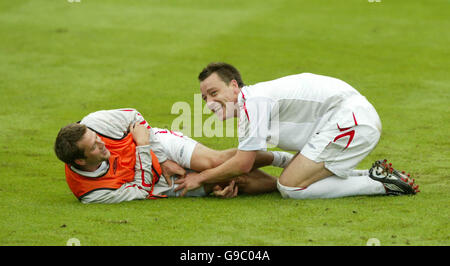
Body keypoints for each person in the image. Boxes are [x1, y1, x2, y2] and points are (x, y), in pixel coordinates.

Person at [174, 62, 420, 199]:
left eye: (214, 93)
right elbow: (250, 158)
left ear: (235, 86)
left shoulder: (255, 103)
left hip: (351, 120)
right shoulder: (251, 105)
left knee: (291, 187)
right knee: (294, 175)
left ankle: (382, 185)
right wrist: (227, 177)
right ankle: (373, 174)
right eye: (204, 98)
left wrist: (201, 177)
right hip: (348, 119)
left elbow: (243, 164)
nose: (209, 103)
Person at [54, 108, 293, 203]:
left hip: (160, 144)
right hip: (158, 182)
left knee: (215, 162)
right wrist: (143, 147)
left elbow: (135, 117)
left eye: (96, 137)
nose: (100, 142)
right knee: (232, 181)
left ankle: (283, 160)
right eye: (94, 147)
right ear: (80, 161)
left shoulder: (95, 123)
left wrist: (162, 157)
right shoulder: (91, 193)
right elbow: (140, 191)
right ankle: (289, 186)